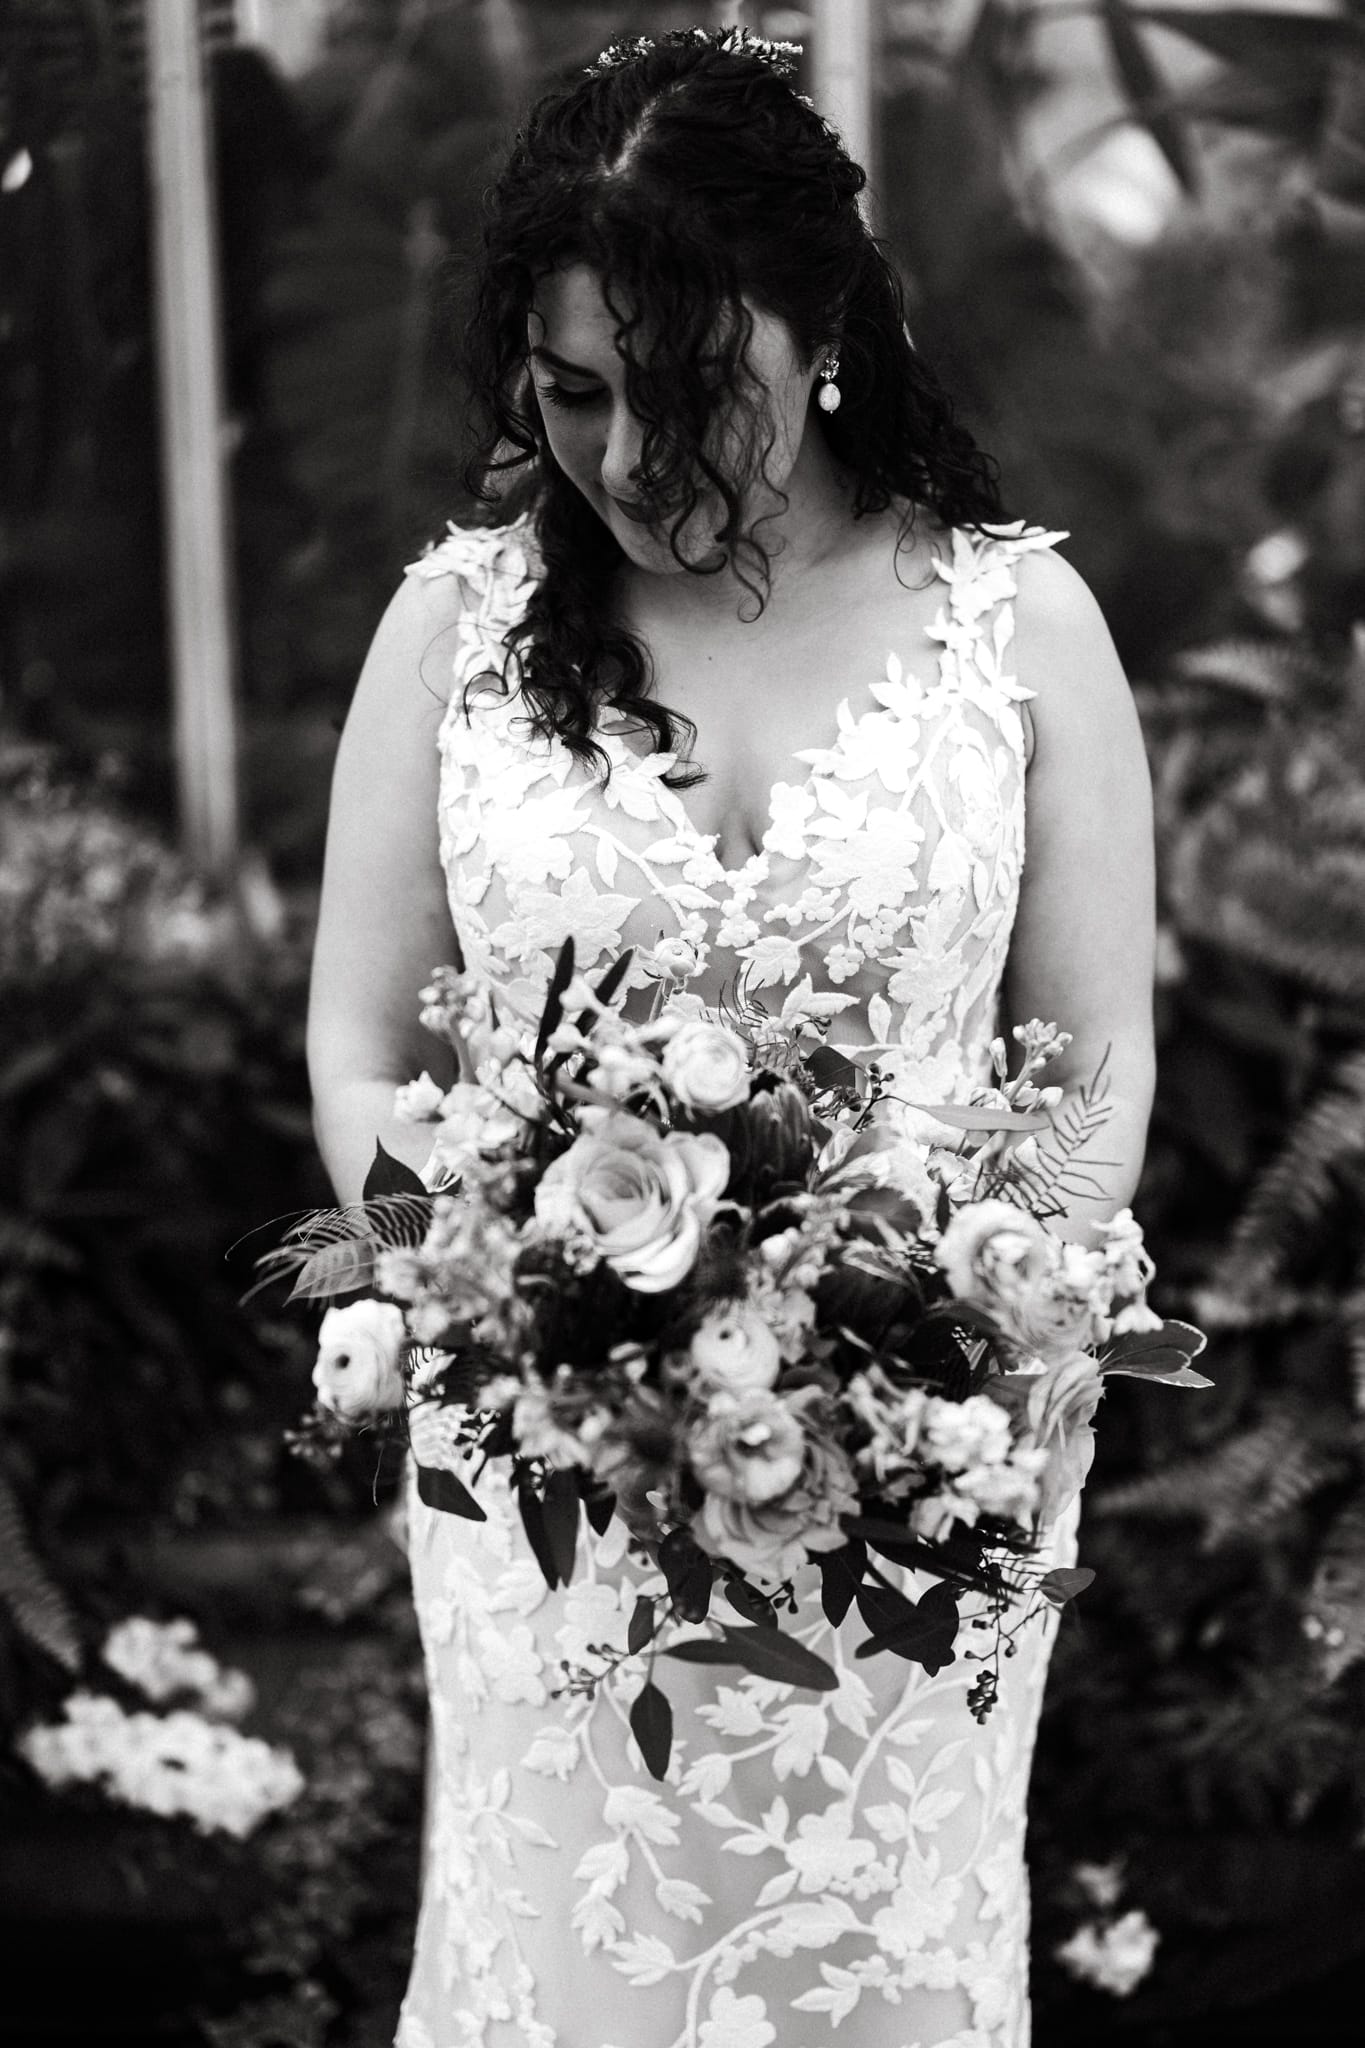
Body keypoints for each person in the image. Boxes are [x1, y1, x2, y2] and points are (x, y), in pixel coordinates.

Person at [305, 27, 1156, 2048]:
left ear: (828, 337)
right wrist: (510, 1296)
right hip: (559, 1487)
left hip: (920, 1484)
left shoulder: (1019, 633)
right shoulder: (452, 630)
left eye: (695, 393)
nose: (629, 457)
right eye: (573, 393)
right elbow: (360, 1045)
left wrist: (979, 1329)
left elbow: (1091, 1056)